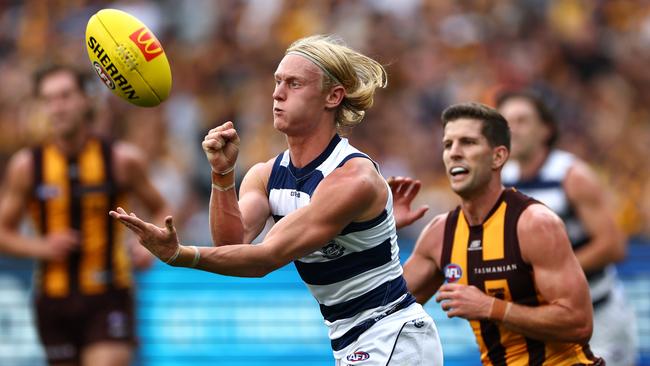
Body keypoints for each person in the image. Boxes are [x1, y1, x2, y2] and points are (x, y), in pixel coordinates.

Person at [110, 35, 443, 365]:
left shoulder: (352, 178)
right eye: (277, 81)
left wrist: (179, 255)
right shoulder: (266, 174)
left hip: (392, 335)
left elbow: (265, 259)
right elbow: (231, 243)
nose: (277, 93)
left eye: (294, 84)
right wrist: (223, 176)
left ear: (333, 96)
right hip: (358, 340)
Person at [391, 102, 603, 365]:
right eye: (448, 145)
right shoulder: (440, 233)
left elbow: (579, 323)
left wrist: (491, 307)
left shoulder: (535, 224)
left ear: (498, 157)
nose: (454, 153)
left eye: (468, 142)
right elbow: (386, 309)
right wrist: (381, 229)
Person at [0, 64, 169, 366]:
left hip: (109, 294)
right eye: (48, 99)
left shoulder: (120, 159)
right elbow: (2, 232)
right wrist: (41, 247)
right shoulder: (27, 167)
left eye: (65, 96)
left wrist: (152, 247)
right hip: (53, 300)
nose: (57, 107)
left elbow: (162, 208)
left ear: (85, 100)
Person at [496, 90, 637, 366]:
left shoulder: (572, 175)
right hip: (543, 322)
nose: (514, 130)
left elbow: (613, 246)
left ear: (546, 129)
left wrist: (549, 275)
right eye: (506, 122)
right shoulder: (502, 179)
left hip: (599, 317)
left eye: (522, 121)